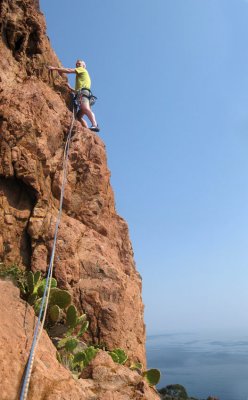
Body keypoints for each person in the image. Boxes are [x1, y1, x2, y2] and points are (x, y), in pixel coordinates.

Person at [48, 60, 100, 132]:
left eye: (79, 64)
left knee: (85, 108)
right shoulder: (81, 77)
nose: (77, 65)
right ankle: (87, 131)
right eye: (76, 64)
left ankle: (95, 125)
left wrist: (55, 68)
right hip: (82, 94)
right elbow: (77, 91)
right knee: (78, 117)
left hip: (83, 93)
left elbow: (69, 70)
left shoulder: (82, 70)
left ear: (84, 66)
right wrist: (70, 88)